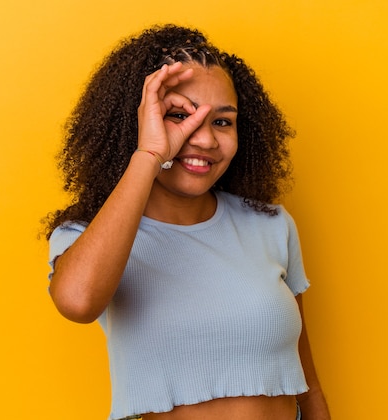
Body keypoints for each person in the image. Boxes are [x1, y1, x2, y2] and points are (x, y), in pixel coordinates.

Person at [44, 24, 331, 420]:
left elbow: (307, 382)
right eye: (178, 115)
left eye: (222, 121)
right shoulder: (89, 236)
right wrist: (149, 154)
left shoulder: (270, 224)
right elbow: (77, 302)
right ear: (138, 122)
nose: (205, 140)